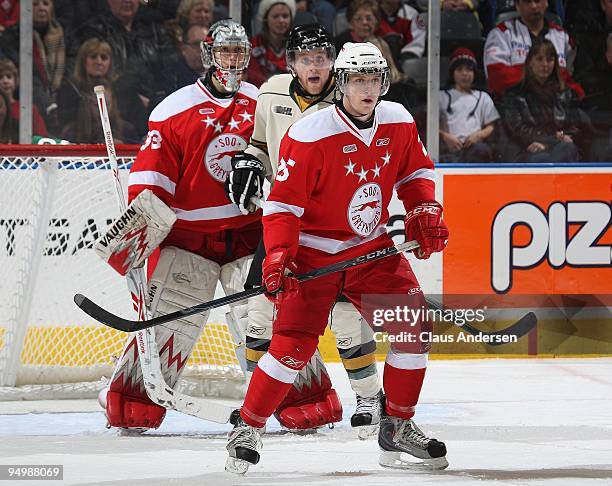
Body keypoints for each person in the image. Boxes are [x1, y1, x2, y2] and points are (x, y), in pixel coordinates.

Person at [225, 42, 449, 474]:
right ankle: (248, 427)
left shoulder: (398, 120)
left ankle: (398, 425)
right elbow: (283, 206)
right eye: (359, 79)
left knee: (413, 329)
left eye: (374, 78)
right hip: (314, 255)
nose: (368, 88)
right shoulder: (310, 133)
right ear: (343, 83)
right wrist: (279, 258)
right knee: (292, 345)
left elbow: (416, 172)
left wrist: (424, 209)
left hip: (374, 252)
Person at [95, 19, 260, 432]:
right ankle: (131, 398)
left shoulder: (262, 103)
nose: (233, 61)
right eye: (225, 52)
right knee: (170, 323)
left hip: (248, 237)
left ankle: (300, 396)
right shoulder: (174, 109)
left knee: (267, 320)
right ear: (209, 55)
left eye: (239, 52)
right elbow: (153, 182)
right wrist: (138, 232)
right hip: (188, 242)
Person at [226, 24, 383, 435]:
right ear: (290, 63)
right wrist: (249, 161)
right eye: (305, 58)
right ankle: (252, 399)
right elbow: (260, 143)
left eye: (321, 57)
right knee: (258, 313)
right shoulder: (271, 91)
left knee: (347, 317)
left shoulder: (349, 95)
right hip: (286, 220)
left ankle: (369, 398)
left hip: (338, 225)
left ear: (333, 60)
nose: (315, 66)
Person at [500, 39, 586, 162]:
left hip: (561, 147)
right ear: (530, 62)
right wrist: (551, 139)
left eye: (549, 60)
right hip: (528, 148)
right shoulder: (514, 94)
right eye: (539, 59)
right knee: (541, 158)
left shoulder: (566, 93)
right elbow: (517, 129)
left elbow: (575, 127)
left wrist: (553, 141)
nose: (545, 65)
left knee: (567, 149)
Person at [483, 0, 583, 99]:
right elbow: (496, 78)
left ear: (546, 3)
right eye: (528, 2)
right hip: (515, 107)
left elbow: (568, 77)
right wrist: (542, 77)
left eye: (537, 0)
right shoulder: (500, 34)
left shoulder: (562, 36)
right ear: (517, 5)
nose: (534, 6)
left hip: (556, 107)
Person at [0, 0, 66, 131]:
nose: (41, 8)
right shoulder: (15, 36)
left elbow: (71, 69)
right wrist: (47, 103)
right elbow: (27, 74)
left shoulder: (64, 35)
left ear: (52, 8)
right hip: (33, 100)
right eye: (35, 4)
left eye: (45, 4)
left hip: (59, 99)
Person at [56, 38, 136, 143]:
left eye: (104, 58)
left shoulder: (123, 90)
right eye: (93, 57)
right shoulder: (68, 90)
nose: (99, 62)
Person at [439, 48, 499, 163]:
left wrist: (478, 135)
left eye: (469, 69)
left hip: (475, 149)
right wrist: (445, 136)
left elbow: (491, 126)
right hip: (447, 149)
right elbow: (429, 126)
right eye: (459, 69)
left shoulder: (483, 97)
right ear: (453, 73)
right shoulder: (440, 96)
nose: (465, 73)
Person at [248, 0, 296, 87]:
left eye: (285, 16)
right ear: (266, 18)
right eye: (275, 16)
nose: (281, 20)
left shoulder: (297, 46)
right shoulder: (254, 44)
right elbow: (252, 78)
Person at [0, 57, 49, 138]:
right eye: (0, 77)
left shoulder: (28, 109)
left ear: (16, 80)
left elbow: (41, 138)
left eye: (9, 76)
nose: (5, 81)